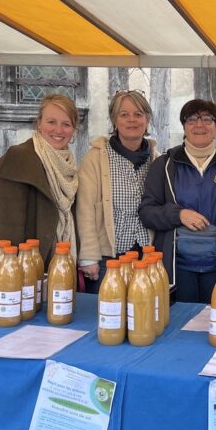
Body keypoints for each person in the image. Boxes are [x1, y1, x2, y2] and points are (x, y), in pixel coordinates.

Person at [0, 94, 79, 295]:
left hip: (57, 265)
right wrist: (8, 278)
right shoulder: (18, 158)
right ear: (39, 124)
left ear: (74, 130)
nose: (59, 130)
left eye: (66, 124)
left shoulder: (70, 167)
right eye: (51, 122)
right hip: (23, 272)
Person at [138, 99, 216, 303]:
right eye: (191, 119)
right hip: (177, 266)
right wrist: (179, 214)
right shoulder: (165, 164)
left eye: (207, 119)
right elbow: (147, 212)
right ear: (184, 126)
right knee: (180, 318)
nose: (199, 125)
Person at [76, 90, 159, 293]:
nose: (132, 120)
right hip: (108, 261)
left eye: (138, 114)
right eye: (124, 114)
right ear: (114, 120)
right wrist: (88, 257)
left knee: (142, 309)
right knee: (108, 310)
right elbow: (85, 210)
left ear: (147, 119)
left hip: (145, 258)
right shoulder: (95, 158)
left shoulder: (156, 159)